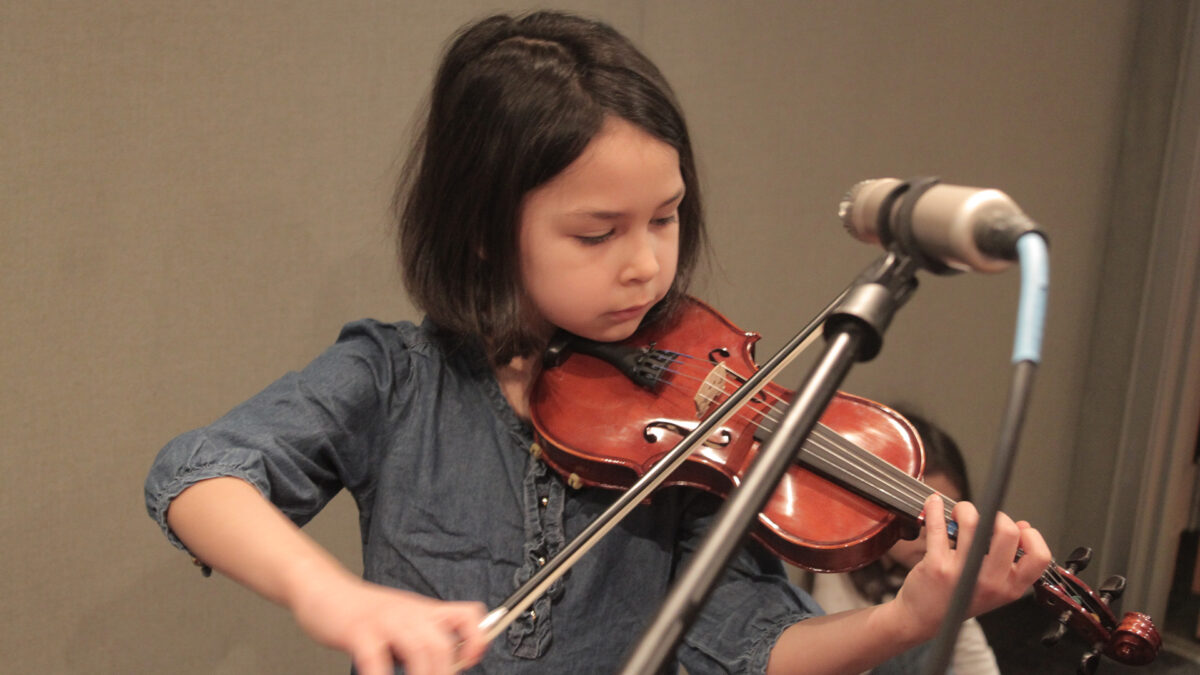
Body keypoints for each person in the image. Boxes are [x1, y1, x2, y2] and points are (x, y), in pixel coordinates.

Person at [144, 11, 1050, 675]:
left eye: (665, 218)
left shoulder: (701, 416)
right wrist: (333, 597)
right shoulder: (395, 381)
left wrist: (908, 620)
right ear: (485, 228)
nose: (646, 265)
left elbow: (746, 644)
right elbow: (198, 474)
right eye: (597, 232)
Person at [808, 408, 1001, 675]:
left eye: (949, 517)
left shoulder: (943, 570)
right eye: (917, 514)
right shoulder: (839, 571)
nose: (934, 533)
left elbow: (971, 654)